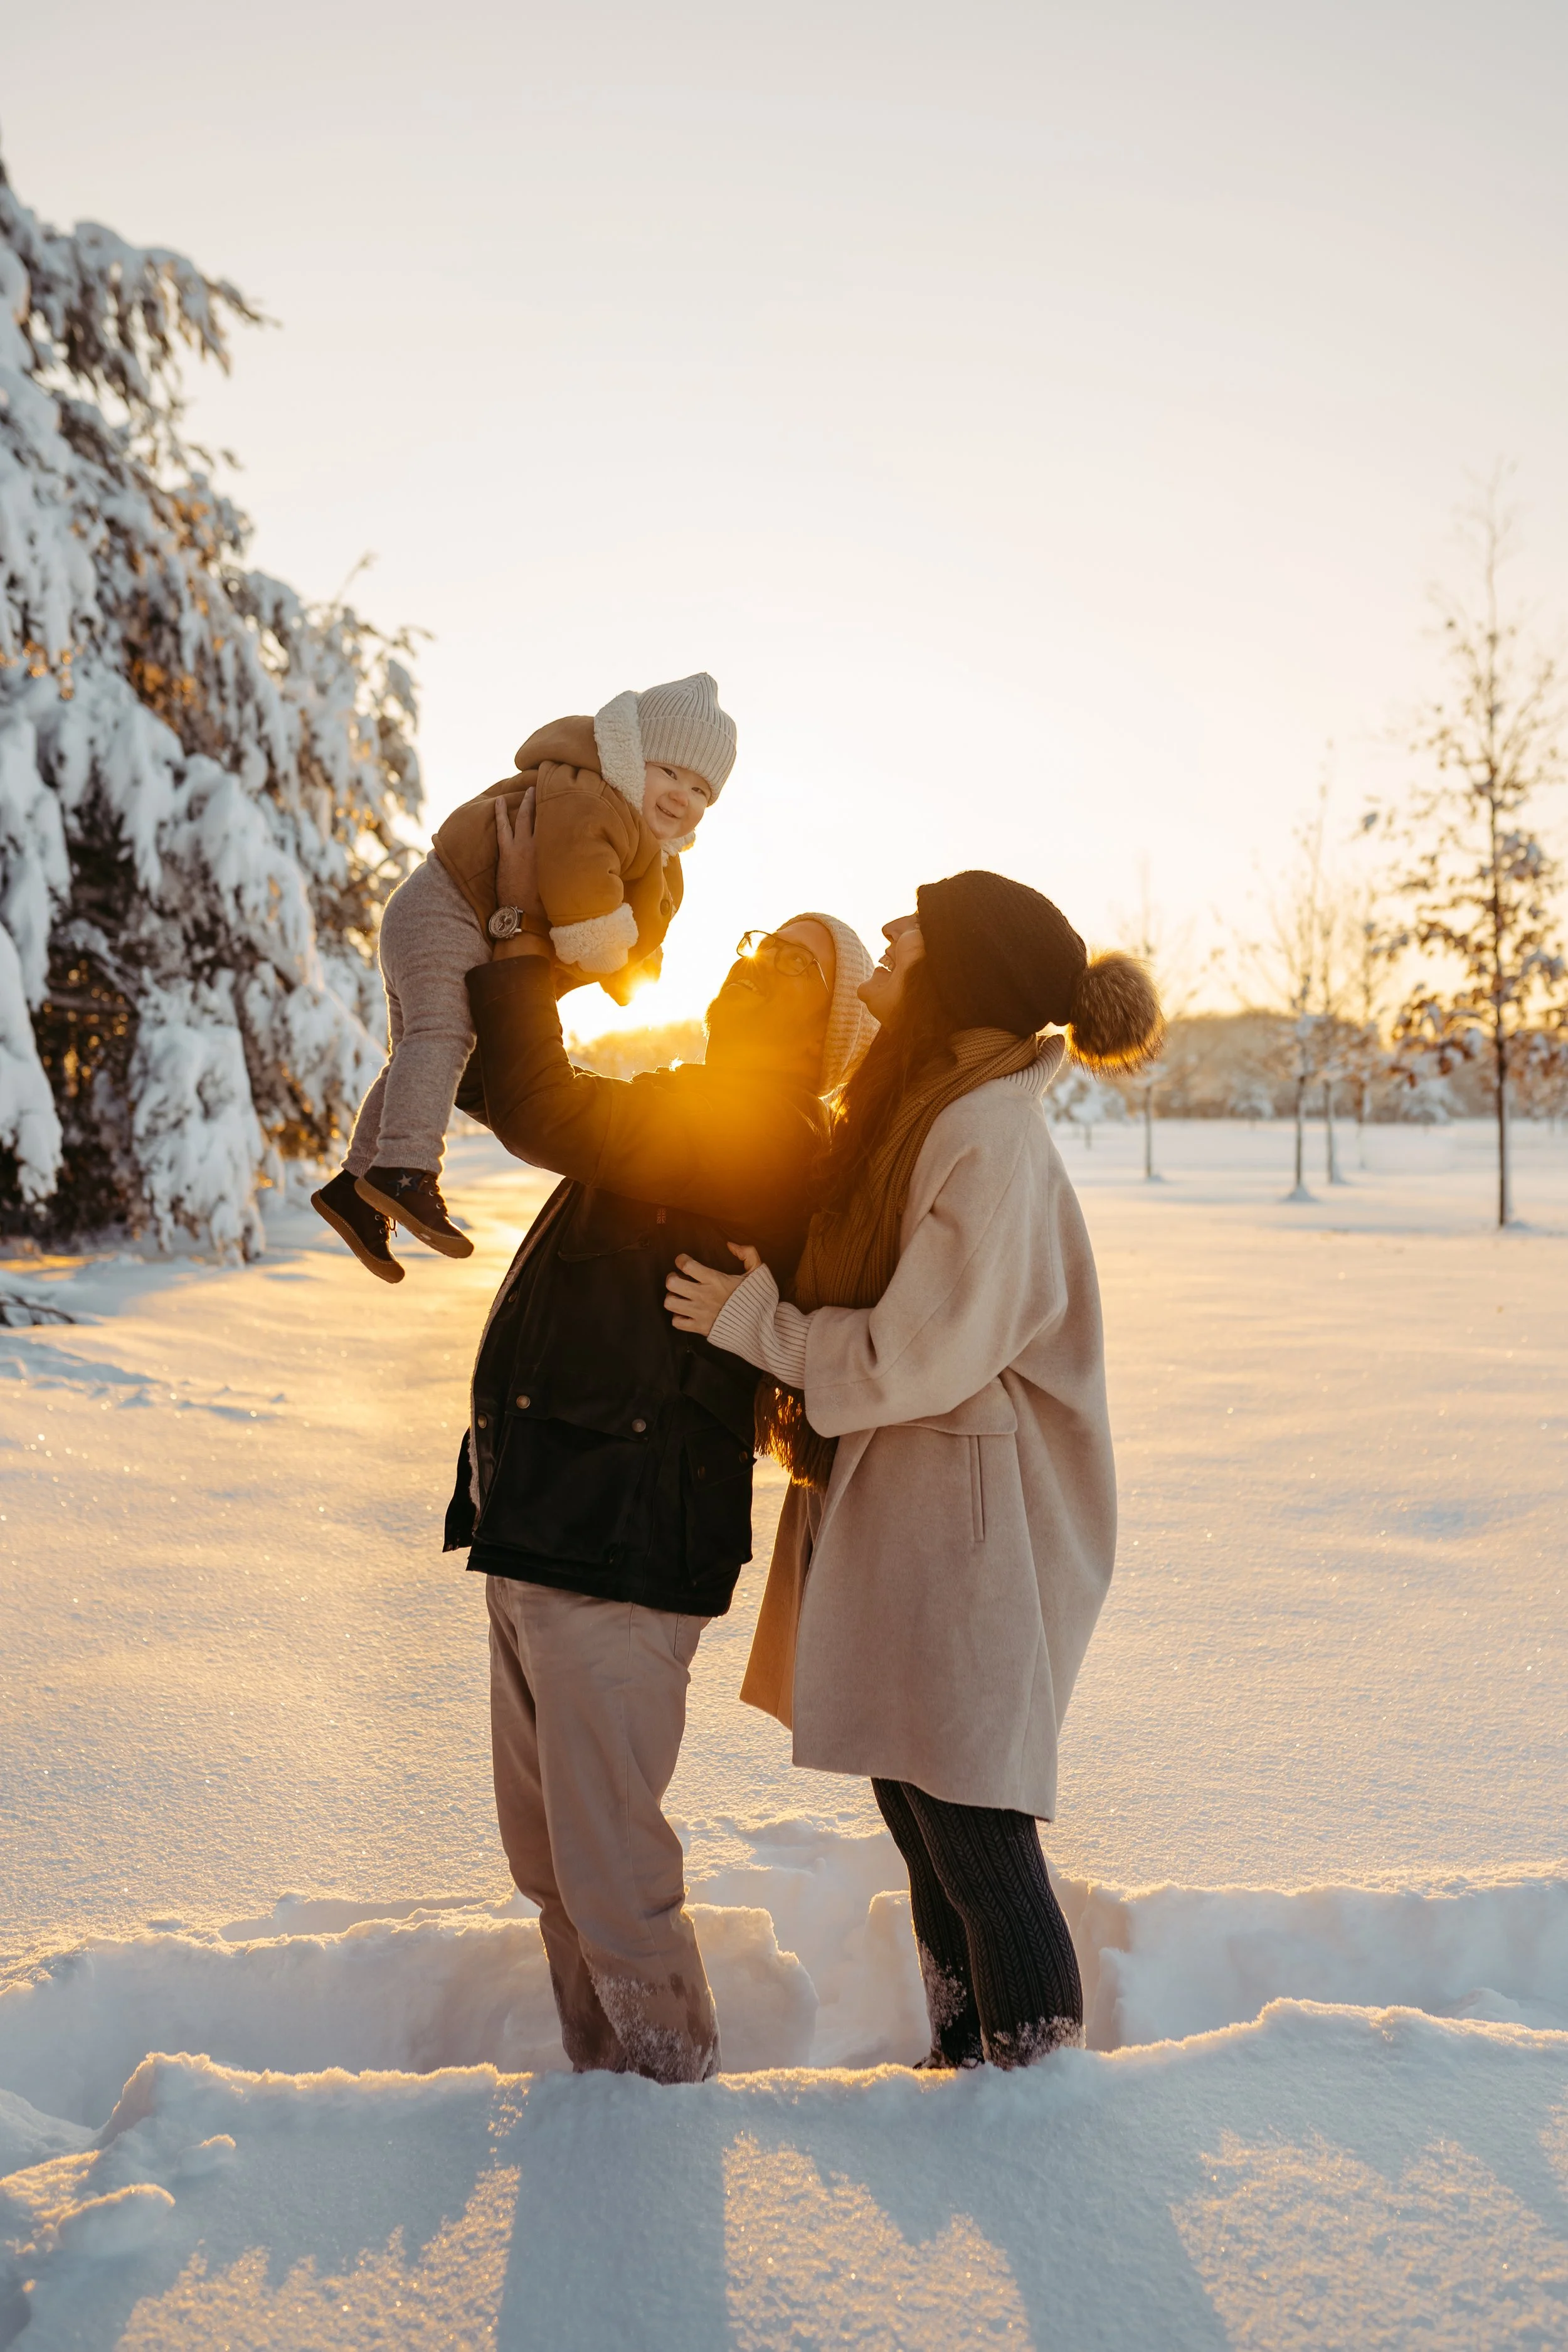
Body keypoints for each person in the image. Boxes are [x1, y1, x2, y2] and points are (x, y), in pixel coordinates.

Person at [664, 869, 1162, 2069]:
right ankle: (964, 2059)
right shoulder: (923, 1110)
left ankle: (1036, 2086)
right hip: (921, 1510)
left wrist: (762, 1328)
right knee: (919, 1807)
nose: (888, 930)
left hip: (979, 1525)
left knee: (974, 1825)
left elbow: (920, 1350)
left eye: (918, 928)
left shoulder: (985, 1134)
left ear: (961, 974)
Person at [447, 788, 877, 2082]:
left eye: (795, 964)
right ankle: (605, 2089)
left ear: (830, 1030)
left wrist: (524, 931)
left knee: (609, 1873)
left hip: (620, 1552)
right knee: (550, 1865)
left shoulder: (758, 1135)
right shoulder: (692, 1105)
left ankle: (661, 2100)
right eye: (758, 944)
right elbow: (501, 1087)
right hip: (541, 1529)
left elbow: (536, 1102)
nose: (756, 964)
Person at [312, 673, 736, 1280]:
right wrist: (607, 947)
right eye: (668, 772)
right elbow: (578, 883)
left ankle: (354, 1188)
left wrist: (633, 964)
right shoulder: (591, 799)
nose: (682, 795)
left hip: (460, 918)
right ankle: (404, 1170)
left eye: (700, 788)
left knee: (424, 1046)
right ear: (627, 756)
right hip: (449, 905)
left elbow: (647, 916)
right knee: (441, 1036)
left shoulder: (650, 851)